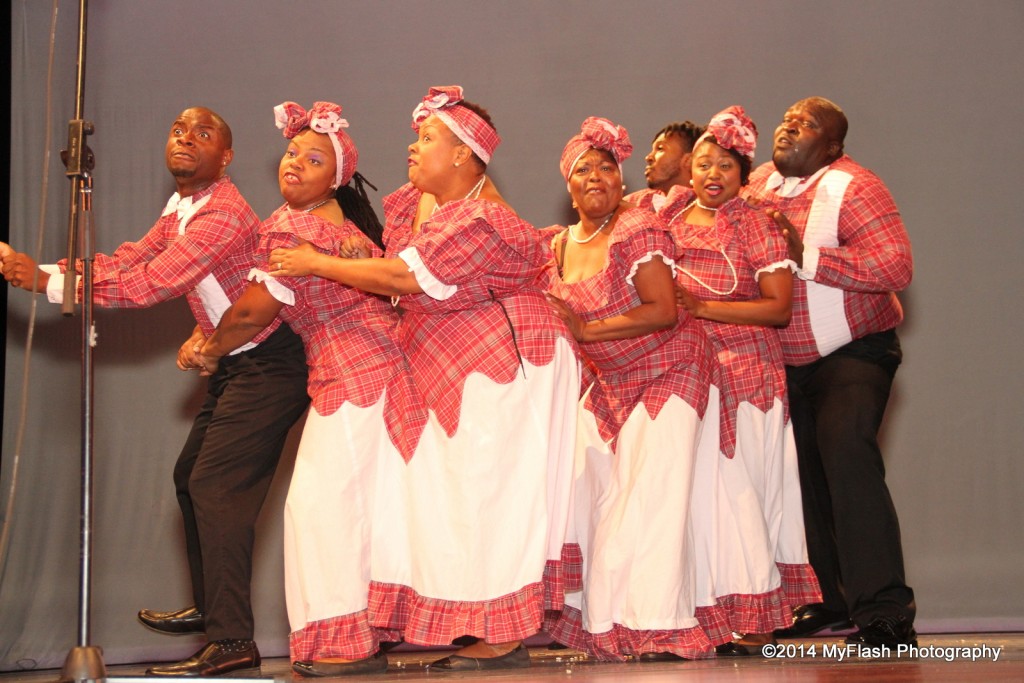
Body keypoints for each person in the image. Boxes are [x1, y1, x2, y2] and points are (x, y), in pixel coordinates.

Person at [268, 85, 580, 672]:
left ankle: (505, 632)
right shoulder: (412, 205)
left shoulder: (485, 218)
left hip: (506, 360)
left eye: (428, 138)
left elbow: (404, 279)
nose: (413, 148)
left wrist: (316, 261)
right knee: (461, 496)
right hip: (448, 360)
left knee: (495, 491)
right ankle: (481, 624)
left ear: (464, 153)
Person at [0, 107, 310, 676]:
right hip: (238, 363)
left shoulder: (222, 213)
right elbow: (131, 260)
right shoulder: (183, 209)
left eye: (204, 133)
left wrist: (47, 281)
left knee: (216, 486)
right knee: (190, 478)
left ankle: (234, 638)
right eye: (177, 129)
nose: (185, 138)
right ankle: (218, 609)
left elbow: (156, 282)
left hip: (272, 363)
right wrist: (48, 269)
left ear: (226, 157)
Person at [192, 101, 426, 677]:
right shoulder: (341, 231)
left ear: (337, 177)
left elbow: (252, 314)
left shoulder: (294, 228)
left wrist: (209, 348)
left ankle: (341, 639)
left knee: (321, 506)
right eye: (293, 152)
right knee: (372, 507)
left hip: (356, 373)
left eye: (314, 157)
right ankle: (377, 629)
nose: (295, 162)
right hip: (381, 367)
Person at [743, 97, 916, 647]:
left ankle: (885, 614)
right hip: (784, 358)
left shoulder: (855, 186)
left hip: (854, 351)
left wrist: (809, 258)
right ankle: (826, 599)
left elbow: (896, 265)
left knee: (846, 459)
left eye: (808, 124)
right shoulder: (759, 186)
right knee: (800, 480)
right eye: (787, 118)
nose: (790, 125)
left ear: (833, 147)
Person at [542, 117, 715, 662]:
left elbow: (663, 310)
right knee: (584, 499)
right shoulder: (557, 245)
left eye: (606, 167)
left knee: (650, 498)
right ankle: (609, 624)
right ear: (567, 187)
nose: (595, 176)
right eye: (582, 169)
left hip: (670, 370)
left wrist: (588, 330)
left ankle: (658, 627)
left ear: (620, 180)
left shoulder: (637, 228)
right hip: (610, 381)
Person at [665, 106, 819, 655]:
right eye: (703, 164)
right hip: (690, 374)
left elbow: (778, 309)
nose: (712, 175)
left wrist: (704, 308)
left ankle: (757, 621)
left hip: (748, 374)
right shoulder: (673, 225)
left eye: (725, 166)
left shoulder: (756, 224)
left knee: (745, 493)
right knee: (701, 498)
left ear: (742, 173)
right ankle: (710, 615)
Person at [625, 120, 704, 212]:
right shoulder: (632, 204)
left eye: (660, 149)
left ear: (689, 160)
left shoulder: (708, 208)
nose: (648, 157)